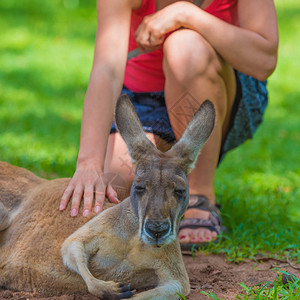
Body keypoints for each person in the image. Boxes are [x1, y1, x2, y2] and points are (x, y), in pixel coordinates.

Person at [59, 0, 278, 249]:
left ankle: (199, 194)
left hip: (217, 96)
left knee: (185, 46)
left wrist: (185, 14)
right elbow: (107, 71)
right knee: (118, 189)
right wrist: (89, 162)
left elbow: (265, 61)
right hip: (143, 100)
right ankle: (170, 170)